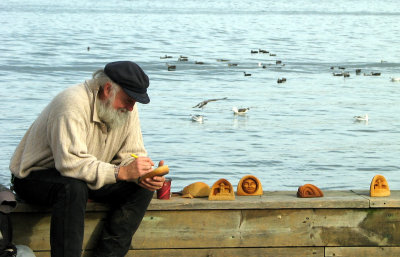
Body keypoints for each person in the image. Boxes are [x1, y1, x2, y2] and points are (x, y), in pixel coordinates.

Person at [9, 61, 166, 257]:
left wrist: (142, 174)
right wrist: (120, 172)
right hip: (35, 177)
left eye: (135, 102)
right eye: (128, 100)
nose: (132, 108)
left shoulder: (127, 110)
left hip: (87, 175)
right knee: (72, 187)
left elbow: (131, 154)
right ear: (108, 89)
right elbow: (70, 164)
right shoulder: (71, 103)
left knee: (141, 188)